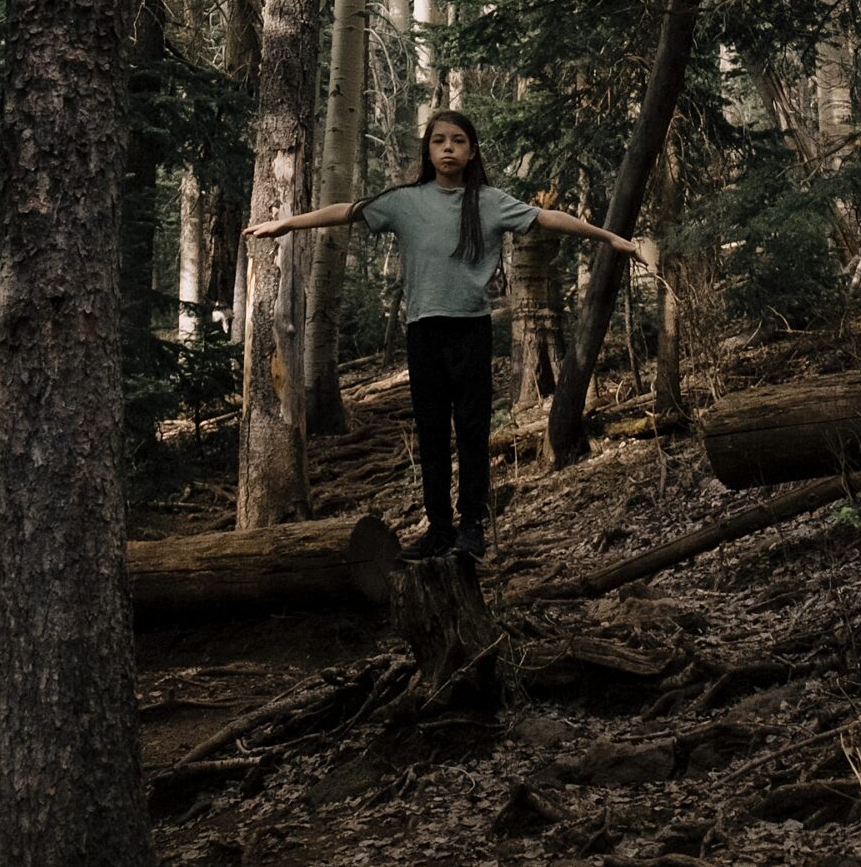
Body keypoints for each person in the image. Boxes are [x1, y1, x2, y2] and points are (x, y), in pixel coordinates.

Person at [242, 111, 639, 561]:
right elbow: (347, 211)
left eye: (458, 141)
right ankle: (439, 528)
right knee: (432, 432)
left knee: (472, 430)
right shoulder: (405, 201)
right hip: (423, 331)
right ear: (428, 151)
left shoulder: (488, 201)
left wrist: (610, 237)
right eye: (439, 141)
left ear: (471, 152)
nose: (448, 148)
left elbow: (547, 218)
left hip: (471, 330)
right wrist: (287, 224)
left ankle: (472, 527)